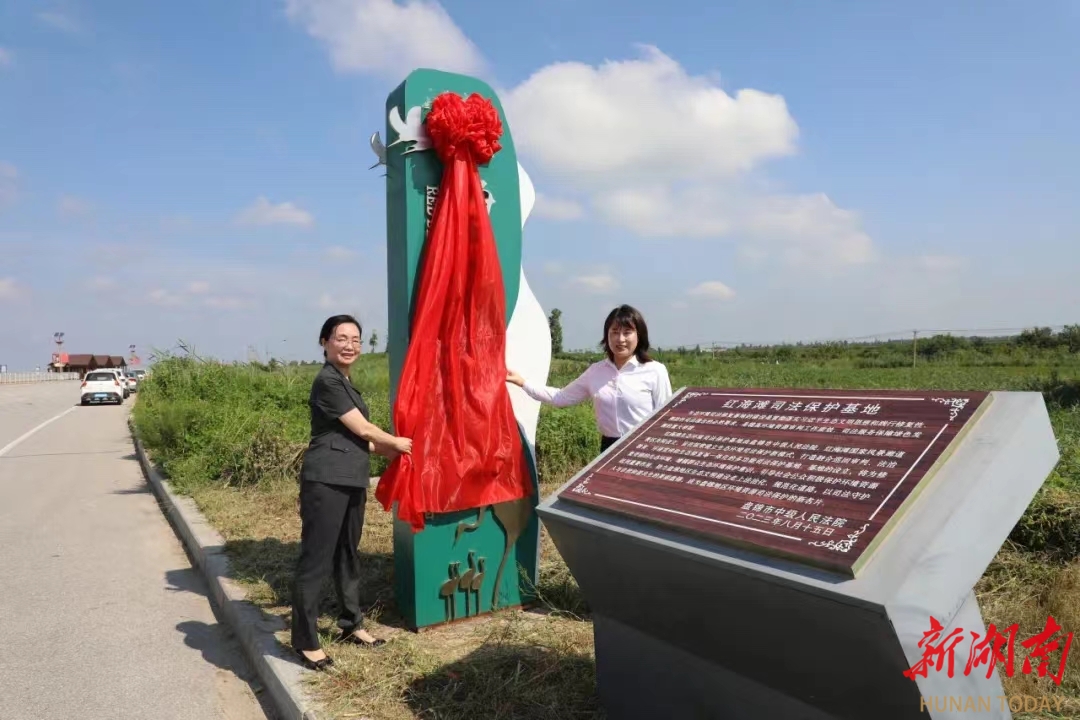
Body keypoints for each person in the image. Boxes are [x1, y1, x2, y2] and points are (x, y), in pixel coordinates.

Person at [291, 314, 412, 671]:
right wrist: (396, 442)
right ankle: (305, 641)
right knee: (316, 560)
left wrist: (396, 451)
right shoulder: (327, 381)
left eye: (356, 339)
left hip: (351, 480)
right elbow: (363, 429)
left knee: (347, 556)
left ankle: (350, 625)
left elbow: (355, 442)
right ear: (325, 342)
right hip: (326, 482)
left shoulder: (346, 383)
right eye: (341, 338)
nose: (349, 345)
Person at [507, 304, 672, 454]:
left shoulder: (655, 371)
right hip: (609, 448)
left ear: (639, 335)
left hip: (645, 448)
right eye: (614, 332)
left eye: (627, 332)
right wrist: (522, 382)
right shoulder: (596, 371)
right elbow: (561, 397)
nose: (620, 339)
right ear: (607, 336)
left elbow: (666, 418)